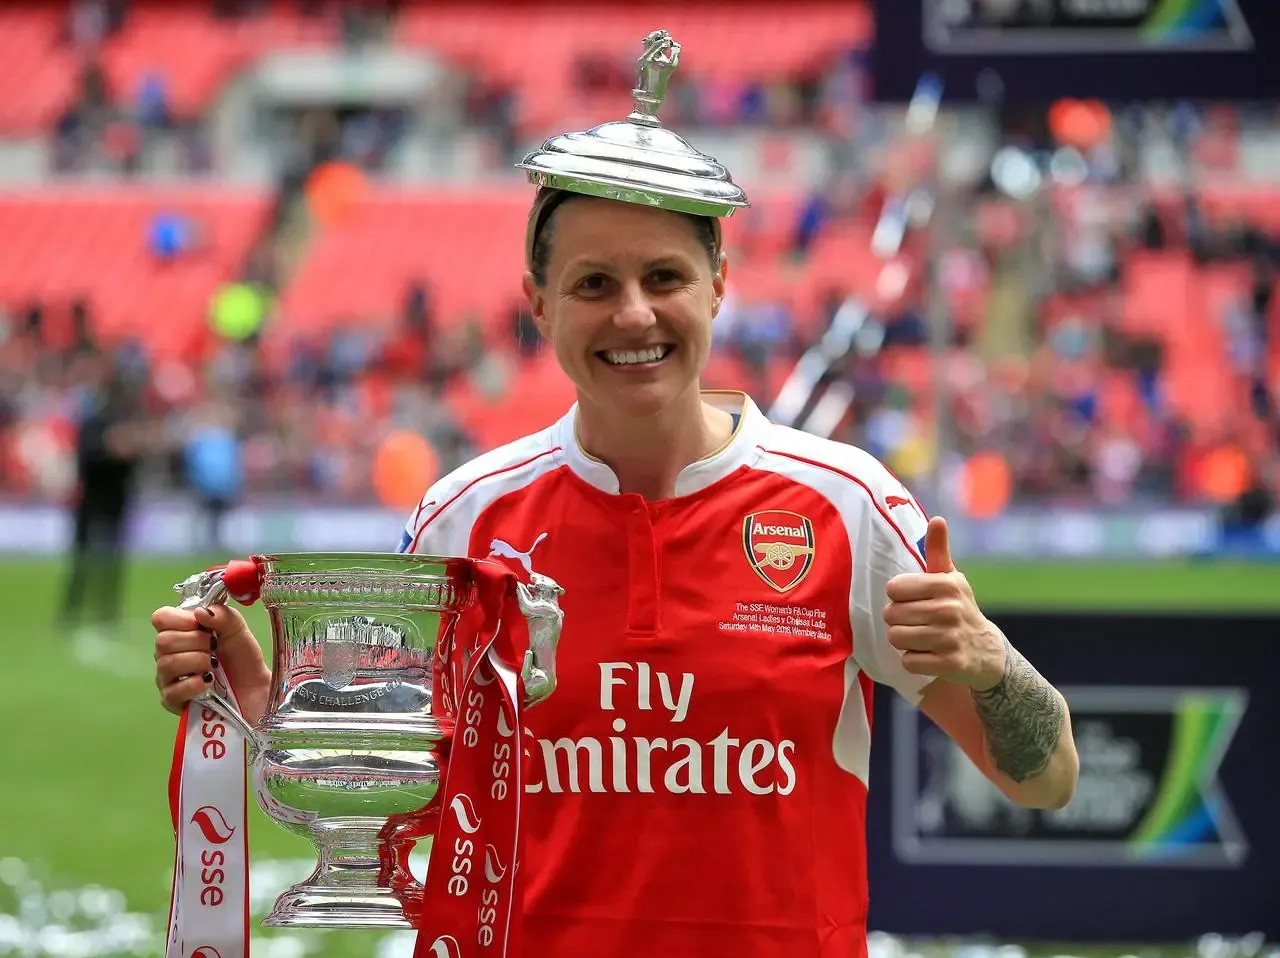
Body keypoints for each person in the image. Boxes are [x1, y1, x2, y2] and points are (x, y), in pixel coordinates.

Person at [151, 30, 1078, 958]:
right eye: (594, 283)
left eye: (665, 277)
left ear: (718, 286)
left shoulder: (845, 505)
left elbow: (1046, 778)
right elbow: (419, 806)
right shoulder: (466, 518)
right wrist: (264, 699)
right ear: (538, 303)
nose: (634, 313)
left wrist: (988, 660)